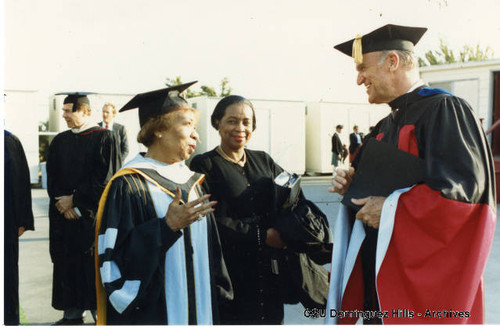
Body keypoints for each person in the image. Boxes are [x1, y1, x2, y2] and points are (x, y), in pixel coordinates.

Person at [326, 24, 496, 325]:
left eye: (363, 68)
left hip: (416, 290)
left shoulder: (445, 110)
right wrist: (354, 186)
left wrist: (391, 210)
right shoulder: (385, 126)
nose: (358, 79)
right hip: (377, 285)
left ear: (393, 61)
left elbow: (462, 196)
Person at [95, 82, 233, 325]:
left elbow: (212, 252)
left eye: (195, 127)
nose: (196, 134)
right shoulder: (128, 184)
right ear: (158, 129)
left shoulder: (193, 182)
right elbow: (113, 261)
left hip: (202, 311)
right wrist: (165, 227)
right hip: (156, 314)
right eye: (187, 125)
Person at [190, 95, 294, 325]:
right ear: (217, 122)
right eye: (232, 121)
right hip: (231, 271)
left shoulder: (264, 160)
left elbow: (291, 194)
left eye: (247, 122)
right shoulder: (204, 164)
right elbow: (210, 217)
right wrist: (261, 236)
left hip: (269, 269)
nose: (240, 128)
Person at [47, 93, 121, 325]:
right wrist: (63, 204)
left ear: (85, 112)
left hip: (91, 217)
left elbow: (107, 178)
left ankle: (100, 316)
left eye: (69, 110)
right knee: (67, 264)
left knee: (93, 267)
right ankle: (71, 315)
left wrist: (76, 201)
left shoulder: (105, 138)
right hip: (64, 216)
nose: (64, 115)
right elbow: (53, 177)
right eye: (64, 110)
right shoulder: (60, 140)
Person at [4, 130, 35, 325]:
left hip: (5, 220)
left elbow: (20, 181)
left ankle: (9, 319)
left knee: (5, 273)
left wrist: (22, 220)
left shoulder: (8, 141)